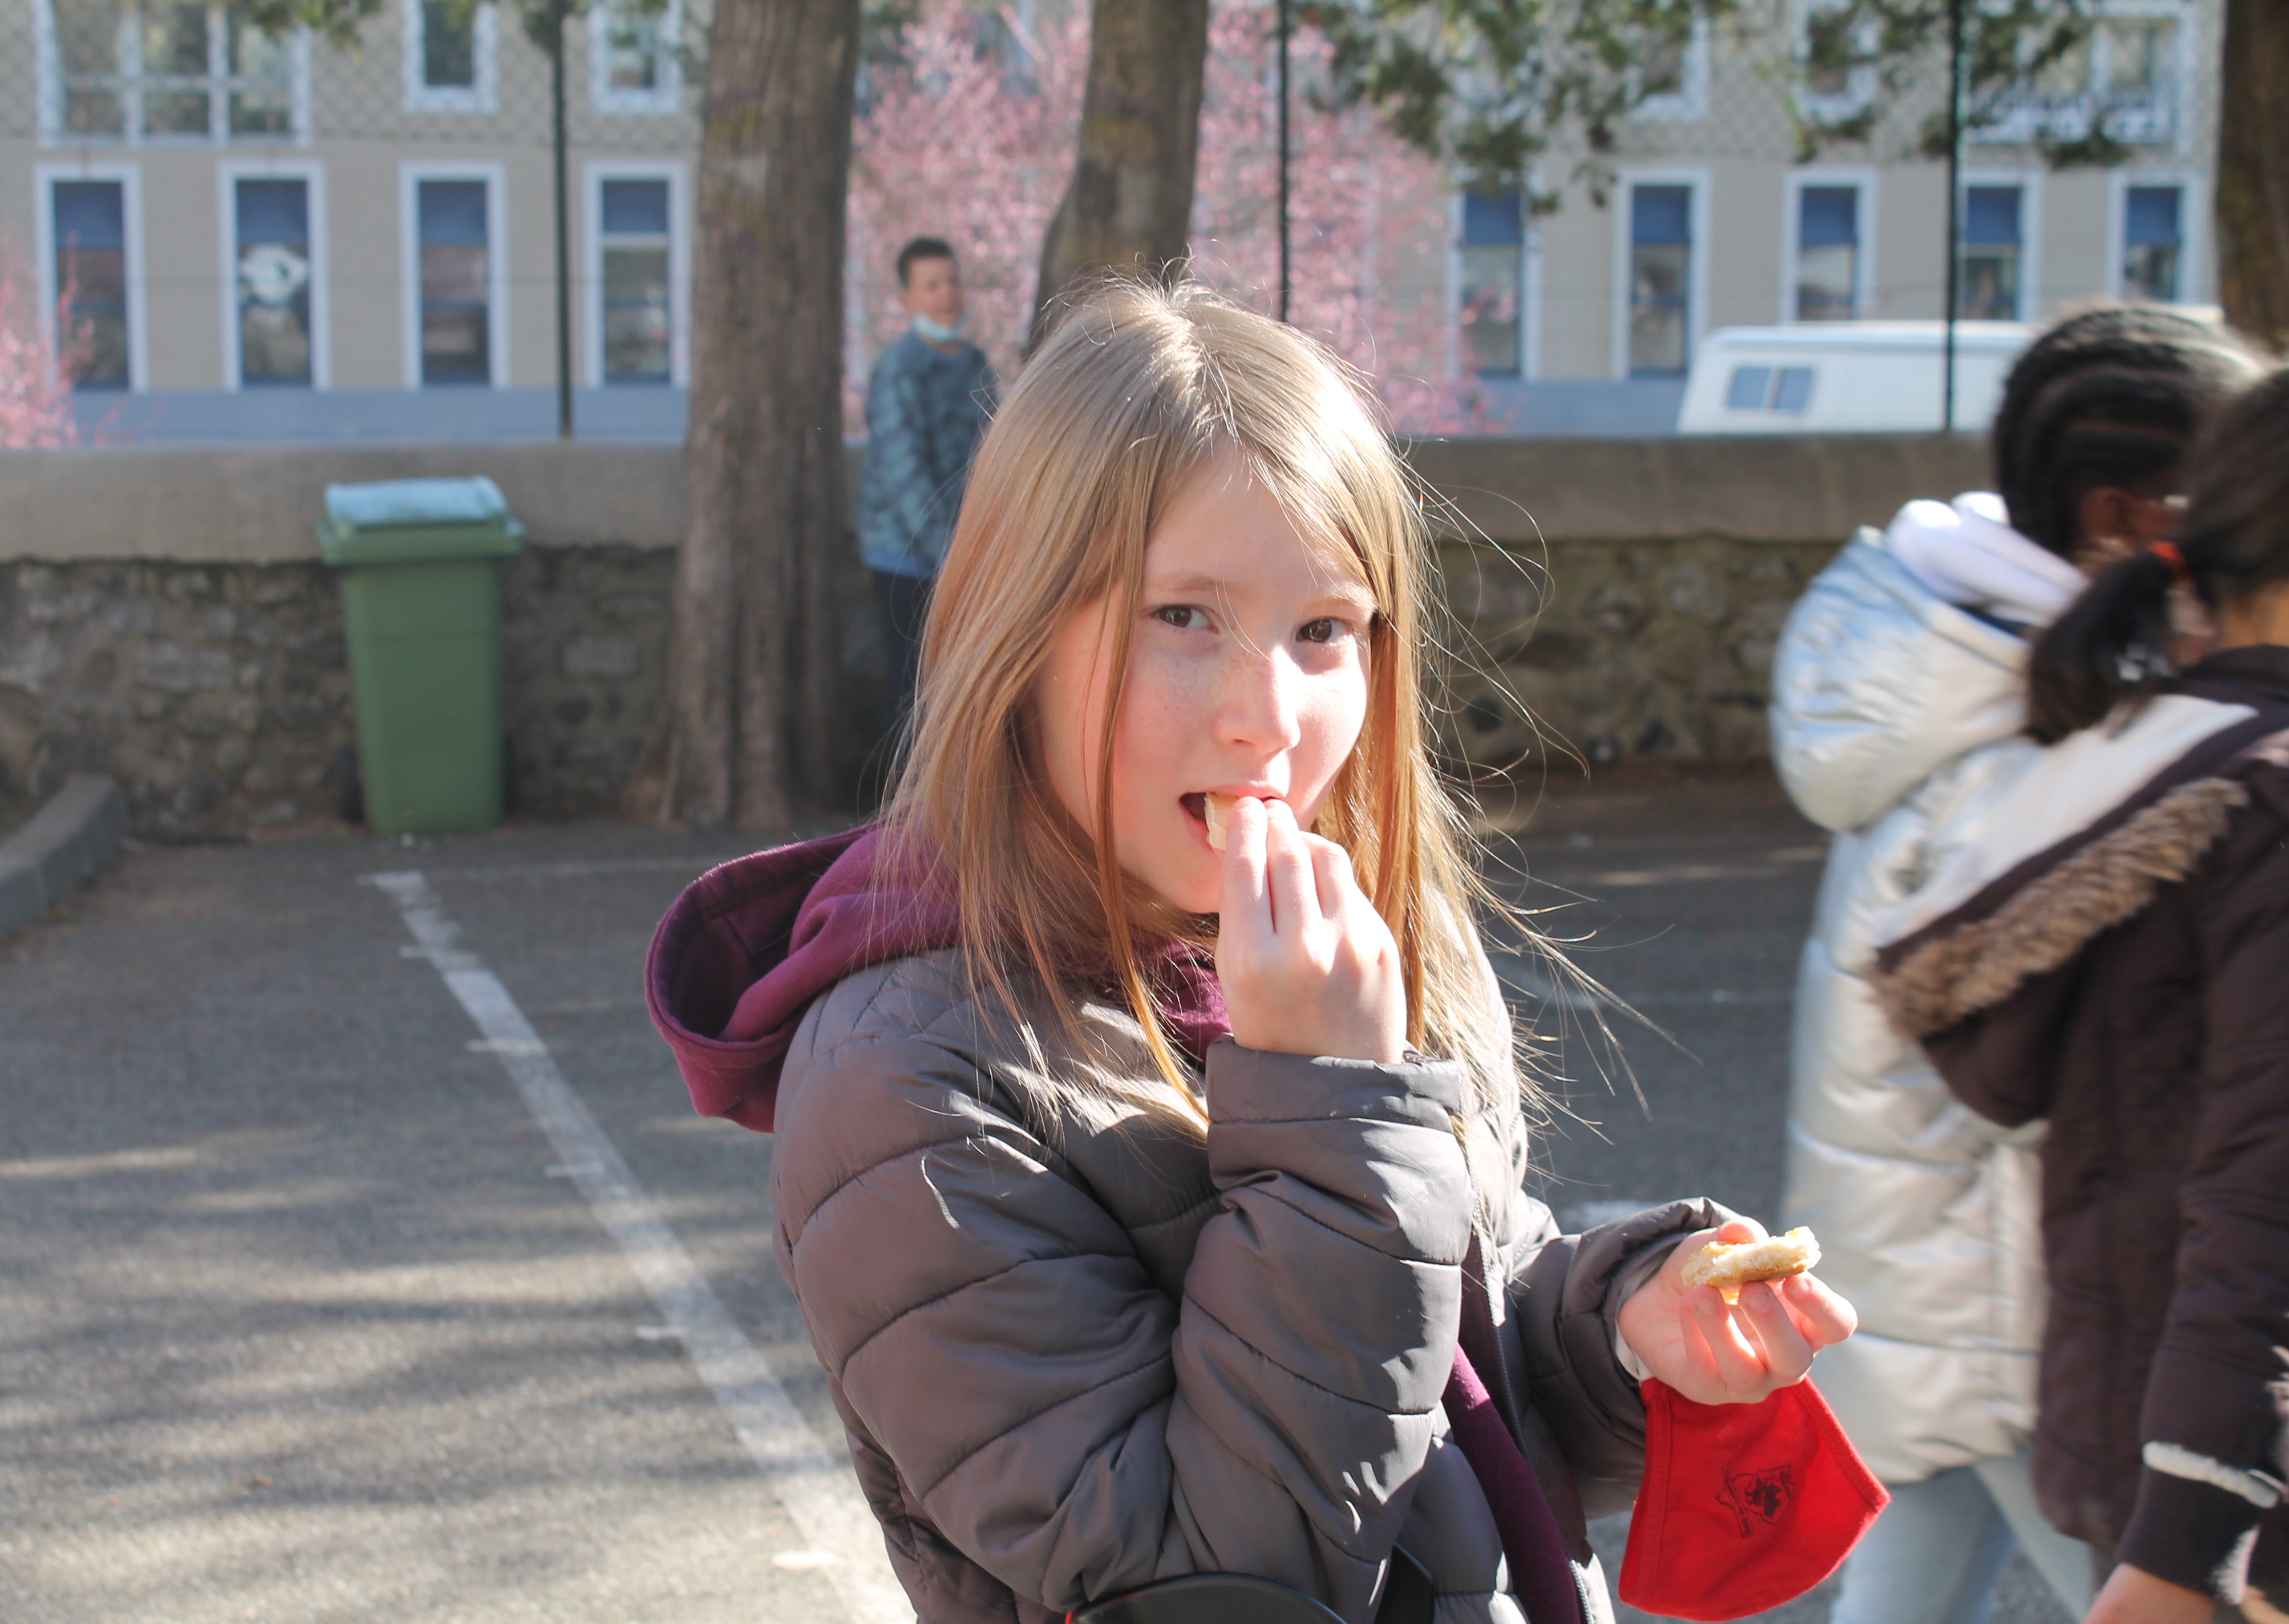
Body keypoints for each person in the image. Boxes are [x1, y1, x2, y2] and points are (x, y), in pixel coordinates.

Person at [649, 282, 1857, 1623]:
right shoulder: (903, 1081)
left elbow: (1449, 1354)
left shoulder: (1355, 935)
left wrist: (1624, 1331)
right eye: (1184, 615)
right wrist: (1330, 1105)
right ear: (1016, 624)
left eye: (1324, 627)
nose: (1269, 716)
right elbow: (1212, 1574)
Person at [1768, 306, 2264, 1624]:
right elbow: (2102, 1053)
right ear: (2123, 516)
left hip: (1937, 1270)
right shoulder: (2053, 734)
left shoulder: (1978, 661)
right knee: (2171, 1594)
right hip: (2009, 1303)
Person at [858, 236, 998, 747]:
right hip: (907, 558)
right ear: (907, 298)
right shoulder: (899, 370)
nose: (945, 294)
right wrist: (949, 553)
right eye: (931, 285)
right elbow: (905, 475)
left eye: (952, 281)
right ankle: (904, 797)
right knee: (913, 689)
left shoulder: (976, 363)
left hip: (966, 554)